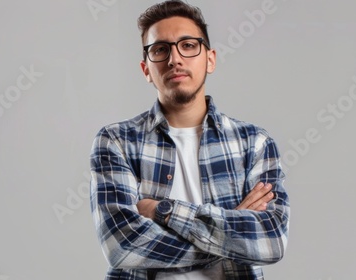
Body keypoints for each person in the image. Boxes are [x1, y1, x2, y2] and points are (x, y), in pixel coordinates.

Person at [89, 1, 290, 279]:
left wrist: (163, 211)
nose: (175, 59)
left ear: (210, 58)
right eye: (160, 50)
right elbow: (122, 247)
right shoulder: (117, 141)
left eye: (188, 45)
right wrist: (231, 234)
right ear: (146, 69)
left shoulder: (254, 143)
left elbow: (271, 241)